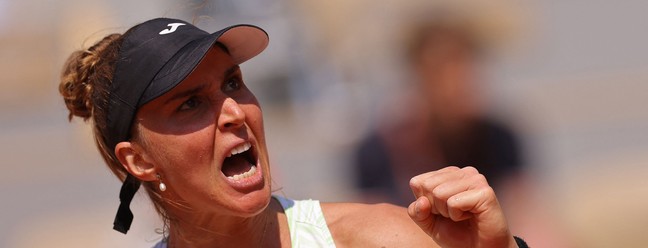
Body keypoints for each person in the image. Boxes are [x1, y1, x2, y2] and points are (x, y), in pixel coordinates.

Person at [59, 17, 526, 247]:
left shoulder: (371, 239)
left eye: (233, 83)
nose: (233, 112)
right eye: (191, 104)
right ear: (138, 160)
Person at [353, 20, 524, 206]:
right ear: (419, 76)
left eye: (460, 69)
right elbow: (373, 219)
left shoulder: (498, 139)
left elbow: (522, 206)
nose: (452, 86)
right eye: (440, 72)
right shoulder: (379, 150)